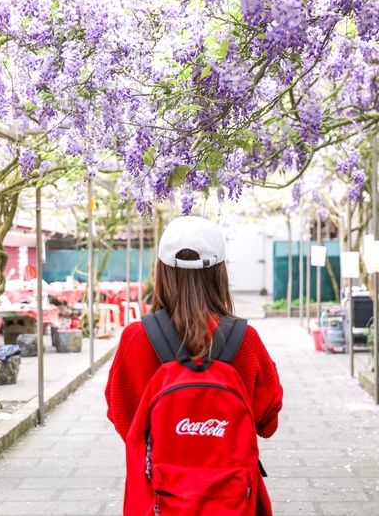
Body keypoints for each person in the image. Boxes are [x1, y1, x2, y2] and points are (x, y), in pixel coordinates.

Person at [105, 216, 284, 515]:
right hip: (232, 501)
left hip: (156, 499)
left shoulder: (134, 340)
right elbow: (268, 421)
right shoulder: (245, 340)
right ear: (220, 273)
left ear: (161, 271)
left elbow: (123, 419)